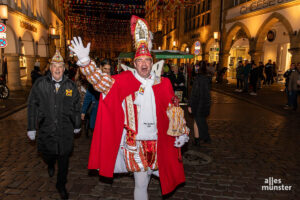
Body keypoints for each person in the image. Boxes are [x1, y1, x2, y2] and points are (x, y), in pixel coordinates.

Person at [70, 16, 189, 200]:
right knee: (141, 183)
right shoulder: (124, 81)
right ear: (134, 63)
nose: (144, 64)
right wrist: (86, 61)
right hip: (136, 143)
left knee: (157, 175)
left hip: (159, 143)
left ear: (152, 63)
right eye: (140, 60)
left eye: (147, 61)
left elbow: (174, 110)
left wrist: (181, 132)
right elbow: (100, 83)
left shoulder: (163, 83)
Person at [27, 50, 81, 199]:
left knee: (64, 158)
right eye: (54, 66)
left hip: (65, 130)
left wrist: (77, 123)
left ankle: (61, 184)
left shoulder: (70, 85)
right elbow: (32, 105)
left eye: (60, 66)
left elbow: (77, 105)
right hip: (47, 128)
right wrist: (31, 127)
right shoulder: (40, 84)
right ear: (50, 68)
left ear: (64, 69)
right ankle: (50, 162)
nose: (57, 69)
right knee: (48, 153)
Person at [81, 59, 111, 136]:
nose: (107, 71)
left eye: (109, 69)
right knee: (97, 132)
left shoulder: (112, 79)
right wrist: (83, 111)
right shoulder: (94, 80)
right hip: (97, 110)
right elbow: (88, 96)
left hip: (108, 111)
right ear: (101, 67)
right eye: (105, 69)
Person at [188, 61, 211, 146]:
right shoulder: (207, 78)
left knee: (197, 121)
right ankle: (201, 138)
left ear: (198, 68)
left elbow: (194, 93)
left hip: (198, 104)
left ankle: (199, 139)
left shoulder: (198, 78)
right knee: (200, 121)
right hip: (205, 103)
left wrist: (190, 104)